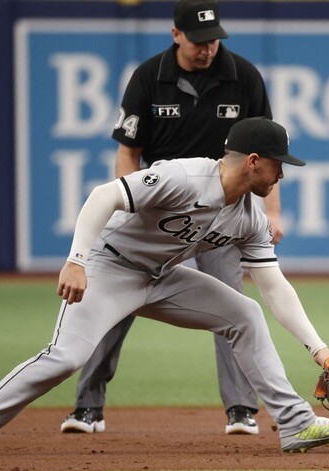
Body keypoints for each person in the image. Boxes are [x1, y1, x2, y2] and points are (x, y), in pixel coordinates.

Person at [0, 117, 329, 456]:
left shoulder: (249, 218)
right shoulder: (184, 176)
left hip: (160, 277)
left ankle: (295, 423)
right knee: (67, 357)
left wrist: (321, 351)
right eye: (278, 164)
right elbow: (103, 196)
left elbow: (274, 287)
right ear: (254, 161)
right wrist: (77, 260)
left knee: (245, 313)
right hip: (109, 267)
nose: (282, 174)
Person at [61, 0, 280, 436]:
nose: (207, 48)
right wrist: (128, 207)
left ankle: (241, 409)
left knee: (230, 303)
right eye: (198, 40)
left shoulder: (244, 76)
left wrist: (271, 211)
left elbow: (267, 154)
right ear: (176, 34)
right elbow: (129, 151)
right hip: (160, 205)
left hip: (220, 211)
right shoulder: (149, 77)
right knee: (115, 299)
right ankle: (88, 407)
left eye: (213, 39)